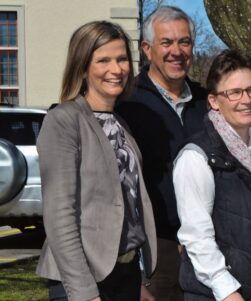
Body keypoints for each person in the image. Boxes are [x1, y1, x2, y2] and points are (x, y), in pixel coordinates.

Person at [36, 21, 157, 301]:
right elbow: (59, 215)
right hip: (83, 280)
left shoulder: (120, 123)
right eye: (103, 60)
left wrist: (137, 279)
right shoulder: (64, 120)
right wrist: (84, 292)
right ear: (82, 66)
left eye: (122, 59)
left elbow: (128, 205)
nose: (116, 69)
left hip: (124, 275)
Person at [173, 49, 251, 301]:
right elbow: (196, 236)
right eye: (234, 93)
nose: (246, 100)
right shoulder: (197, 157)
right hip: (223, 294)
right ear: (214, 101)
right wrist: (226, 289)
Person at [115, 6, 208, 300]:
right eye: (166, 43)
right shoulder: (127, 104)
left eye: (184, 42)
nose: (176, 51)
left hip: (207, 245)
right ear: (147, 49)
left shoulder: (208, 104)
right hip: (155, 249)